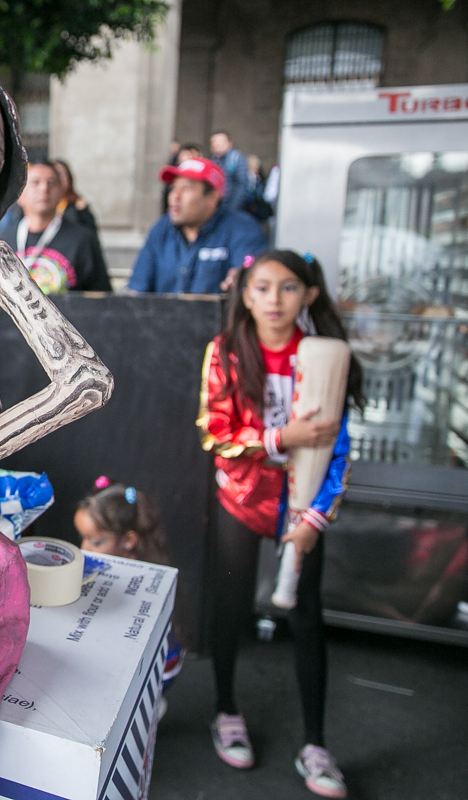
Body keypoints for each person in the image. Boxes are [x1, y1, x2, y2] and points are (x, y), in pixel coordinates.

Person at [197, 250, 363, 799]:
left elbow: (338, 446)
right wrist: (277, 441)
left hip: (303, 503)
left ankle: (316, 743)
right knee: (231, 603)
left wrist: (317, 515)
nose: (274, 299)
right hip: (242, 498)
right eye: (262, 288)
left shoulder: (324, 356)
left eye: (289, 288)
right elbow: (214, 433)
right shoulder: (225, 352)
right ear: (245, 293)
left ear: (309, 295)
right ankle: (226, 710)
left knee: (308, 616)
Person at [75, 476, 184, 701]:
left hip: (155, 672)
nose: (83, 548)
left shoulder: (144, 581)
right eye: (83, 538)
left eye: (96, 542)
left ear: (128, 541)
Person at [128, 157, 268, 295]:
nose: (175, 196)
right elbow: (137, 289)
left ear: (212, 197)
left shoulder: (242, 229)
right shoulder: (161, 230)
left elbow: (250, 273)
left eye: (186, 188)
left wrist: (241, 277)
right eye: (173, 188)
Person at [0, 161, 111, 294]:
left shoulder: (82, 240)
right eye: (35, 183)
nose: (44, 189)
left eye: (51, 183)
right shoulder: (2, 241)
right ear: (19, 194)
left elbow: (101, 296)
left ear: (61, 193)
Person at [209, 131, 249, 212]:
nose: (216, 145)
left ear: (229, 143)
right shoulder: (212, 160)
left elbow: (242, 184)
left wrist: (233, 208)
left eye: (220, 142)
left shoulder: (236, 158)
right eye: (214, 142)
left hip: (231, 206)